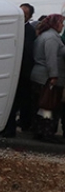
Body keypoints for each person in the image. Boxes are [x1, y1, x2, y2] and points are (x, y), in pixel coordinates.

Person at [30, 13, 65, 142]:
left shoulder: (45, 36)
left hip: (40, 75)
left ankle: (39, 131)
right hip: (46, 77)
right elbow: (51, 59)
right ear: (55, 24)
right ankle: (46, 133)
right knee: (48, 106)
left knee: (41, 106)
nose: (62, 26)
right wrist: (54, 76)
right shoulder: (51, 38)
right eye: (61, 23)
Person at [3, 3, 36, 137]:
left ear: (29, 17)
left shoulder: (28, 31)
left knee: (14, 102)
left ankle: (9, 130)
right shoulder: (13, 28)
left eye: (24, 14)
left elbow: (26, 53)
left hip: (20, 73)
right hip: (11, 72)